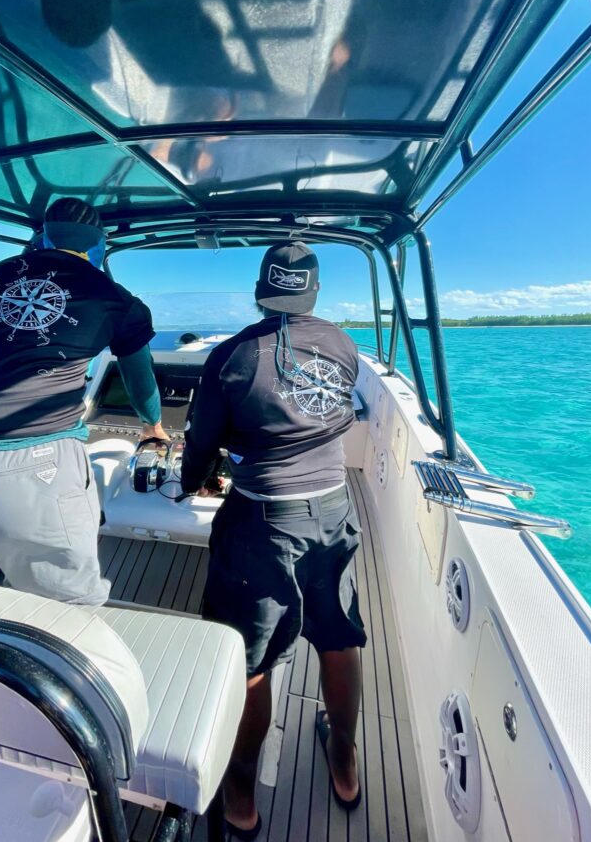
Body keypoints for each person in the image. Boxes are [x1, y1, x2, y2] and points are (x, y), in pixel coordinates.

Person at [181, 242, 366, 838]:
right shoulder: (342, 343)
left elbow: (203, 441)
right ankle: (343, 755)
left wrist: (193, 482)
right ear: (313, 292)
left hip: (264, 519)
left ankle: (239, 791)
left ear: (261, 289)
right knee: (337, 637)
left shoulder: (233, 354)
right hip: (335, 508)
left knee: (253, 661)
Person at [0, 197, 168, 606]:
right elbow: (141, 382)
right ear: (99, 244)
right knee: (64, 608)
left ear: (42, 236)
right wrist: (153, 426)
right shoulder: (115, 298)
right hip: (29, 463)